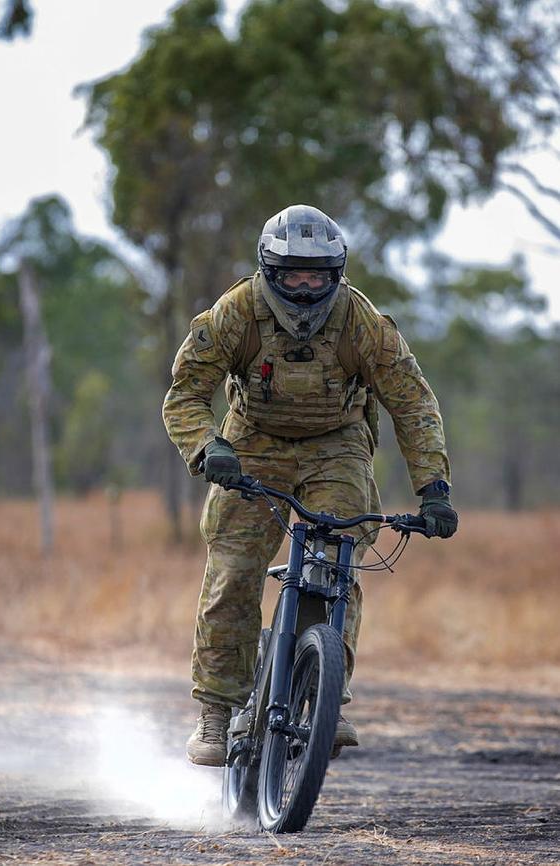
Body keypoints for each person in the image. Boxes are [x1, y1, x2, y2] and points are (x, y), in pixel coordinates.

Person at [162, 204, 457, 766]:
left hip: (337, 445)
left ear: (336, 272)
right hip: (249, 442)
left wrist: (434, 488)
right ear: (270, 269)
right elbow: (185, 394)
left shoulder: (361, 321)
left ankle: (325, 694)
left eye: (318, 274)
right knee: (233, 572)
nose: (305, 285)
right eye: (294, 273)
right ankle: (217, 713)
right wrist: (208, 447)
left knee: (338, 561)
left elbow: (413, 402)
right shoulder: (237, 312)